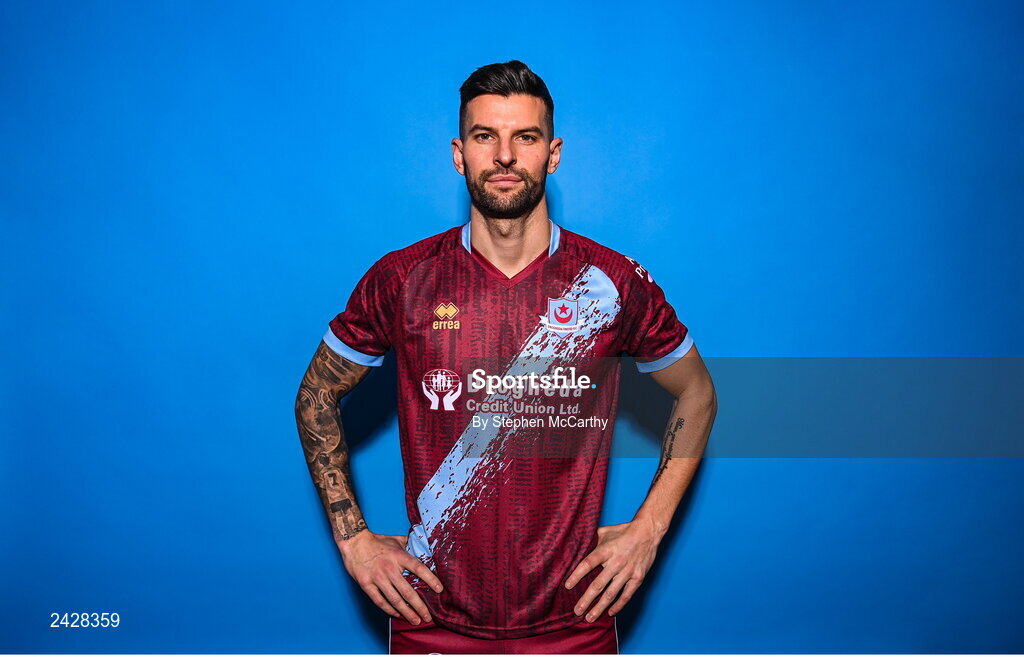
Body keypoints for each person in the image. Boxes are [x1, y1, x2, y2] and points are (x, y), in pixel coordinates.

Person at [294, 60, 718, 655]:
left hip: (574, 617)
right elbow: (316, 394)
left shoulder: (609, 283)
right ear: (458, 154)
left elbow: (698, 392)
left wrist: (648, 530)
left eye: (526, 137)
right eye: (484, 136)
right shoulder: (403, 279)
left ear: (553, 154)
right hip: (431, 616)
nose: (504, 156)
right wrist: (354, 540)